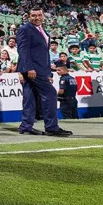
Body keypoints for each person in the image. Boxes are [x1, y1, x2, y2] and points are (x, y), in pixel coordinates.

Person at [17, 8, 73, 136]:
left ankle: (26, 126)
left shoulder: (42, 30)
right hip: (33, 69)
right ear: (28, 16)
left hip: (40, 69)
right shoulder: (25, 29)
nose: (37, 18)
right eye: (33, 15)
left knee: (30, 97)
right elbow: (23, 50)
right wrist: (29, 68)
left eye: (39, 15)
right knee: (50, 93)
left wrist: (48, 72)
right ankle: (52, 127)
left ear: (43, 16)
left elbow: (43, 54)